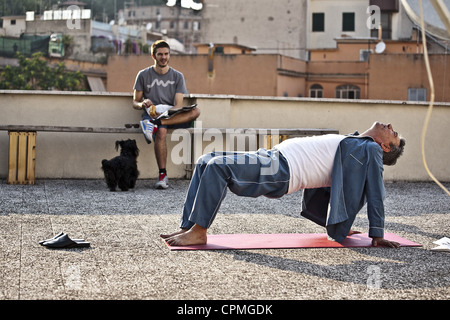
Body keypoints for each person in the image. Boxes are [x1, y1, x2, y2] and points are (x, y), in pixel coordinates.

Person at [161, 121, 406, 248]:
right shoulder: (355, 141)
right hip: (273, 156)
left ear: (384, 147)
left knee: (218, 168)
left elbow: (376, 192)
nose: (390, 127)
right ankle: (188, 227)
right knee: (206, 160)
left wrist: (377, 234)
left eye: (393, 134)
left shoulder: (370, 150)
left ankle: (200, 232)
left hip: (285, 169)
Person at [133, 40, 200, 189]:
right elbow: (135, 102)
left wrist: (165, 115)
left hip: (170, 114)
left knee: (196, 111)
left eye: (166, 54)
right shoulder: (143, 75)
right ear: (153, 56)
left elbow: (178, 105)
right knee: (161, 132)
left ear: (169, 55)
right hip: (151, 114)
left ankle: (158, 124)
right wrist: (143, 104)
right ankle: (162, 175)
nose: (163, 57)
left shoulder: (177, 76)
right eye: (160, 54)